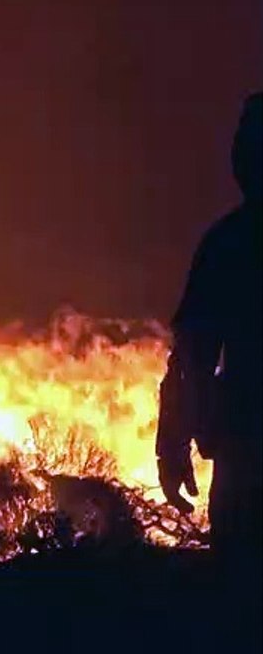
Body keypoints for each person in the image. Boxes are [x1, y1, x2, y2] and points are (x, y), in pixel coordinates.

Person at [157, 93, 261, 598]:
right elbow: (191, 358)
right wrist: (172, 444)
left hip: (245, 457)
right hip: (244, 453)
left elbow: (193, 359)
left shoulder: (228, 243)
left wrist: (172, 446)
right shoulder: (227, 244)